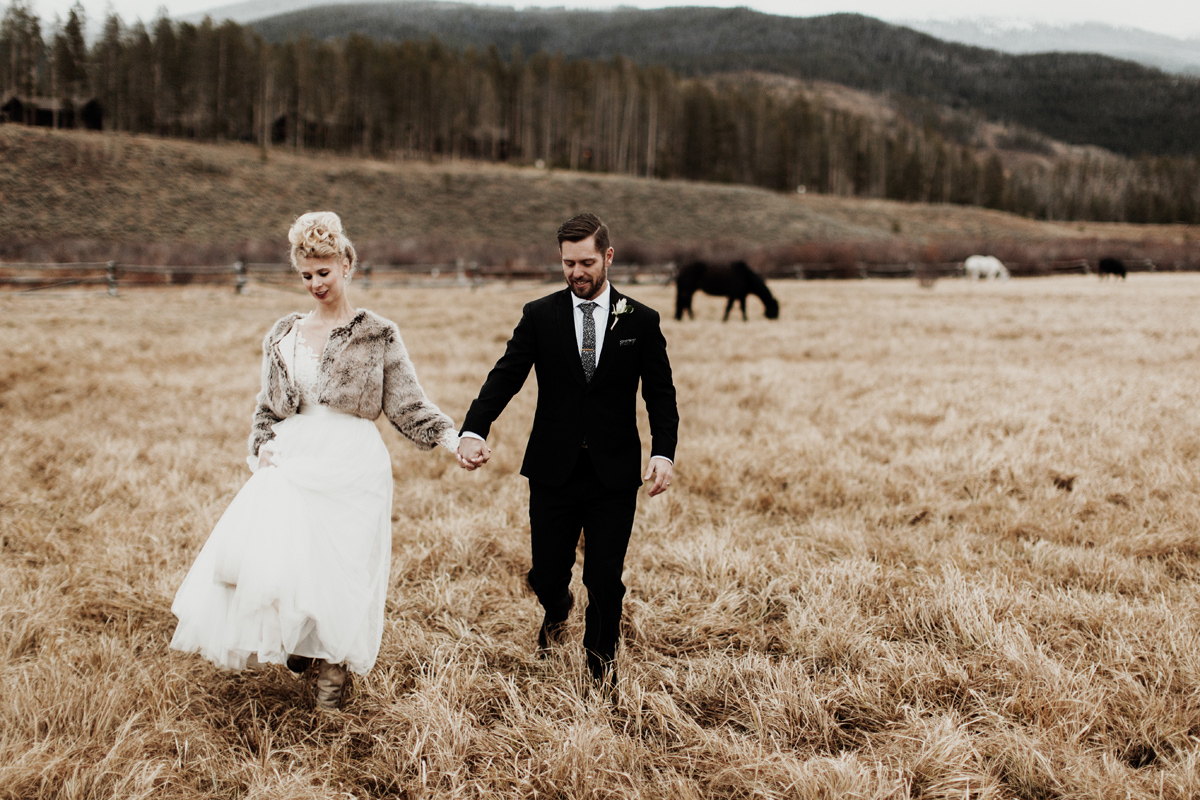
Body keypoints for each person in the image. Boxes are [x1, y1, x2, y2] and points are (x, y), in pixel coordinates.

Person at [170, 211, 461, 710]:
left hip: (352, 462)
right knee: (292, 562)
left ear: (347, 263)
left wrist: (454, 441)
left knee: (343, 567)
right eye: (306, 275)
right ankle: (305, 644)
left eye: (323, 272)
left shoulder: (378, 333)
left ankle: (333, 675)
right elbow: (267, 404)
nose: (315, 284)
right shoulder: (282, 333)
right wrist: (261, 448)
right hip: (294, 458)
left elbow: (407, 402)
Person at [457, 212, 679, 694]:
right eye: (567, 263)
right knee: (547, 572)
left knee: (604, 579)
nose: (576, 272)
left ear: (608, 257)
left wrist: (664, 453)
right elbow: (506, 375)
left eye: (586, 262)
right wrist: (473, 429)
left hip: (614, 474)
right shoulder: (541, 315)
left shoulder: (641, 320)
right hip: (552, 470)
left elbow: (660, 394)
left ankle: (600, 675)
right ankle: (557, 610)